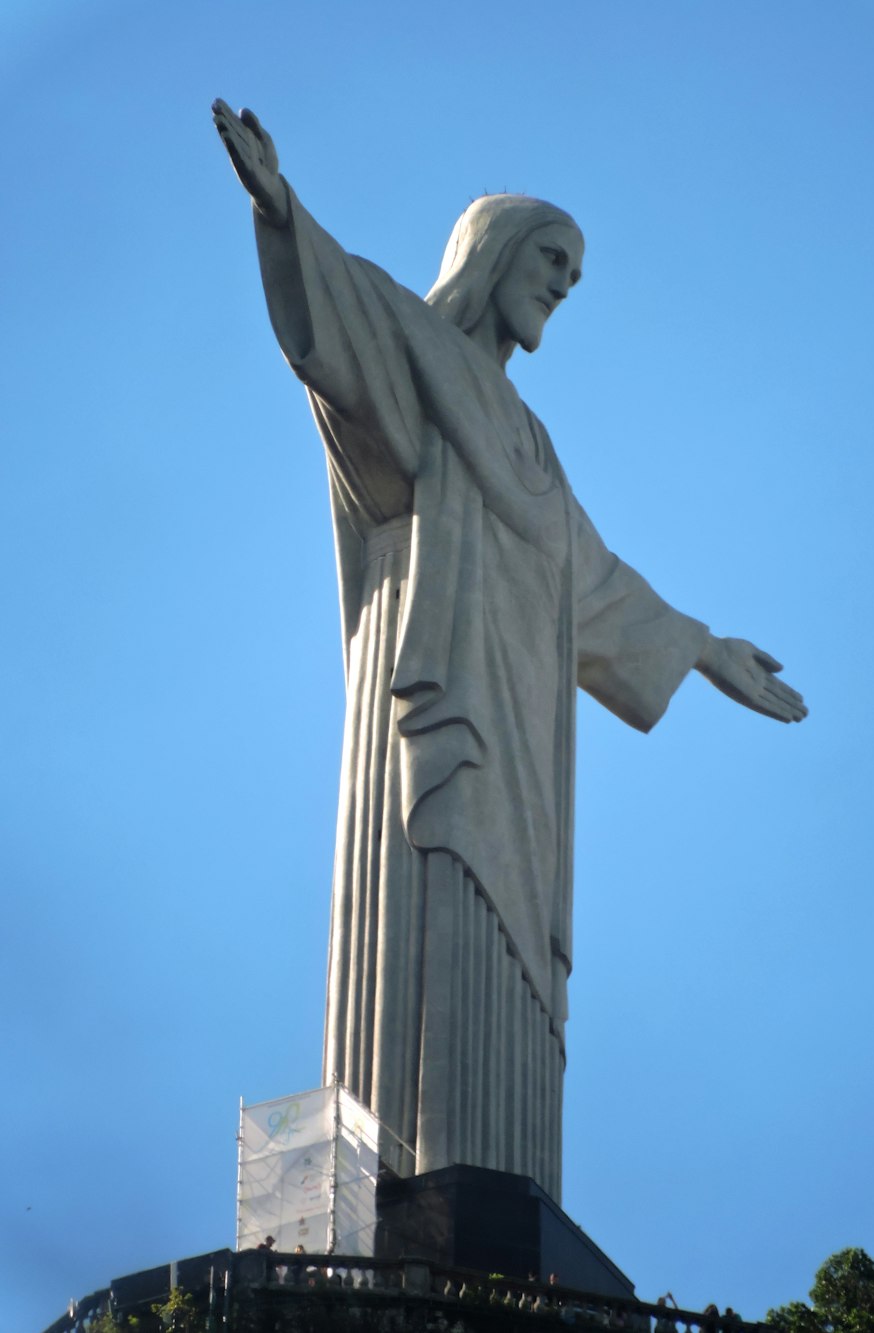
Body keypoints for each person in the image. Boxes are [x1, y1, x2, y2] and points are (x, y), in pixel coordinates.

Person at [212, 101, 806, 1204]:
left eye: (573, 274)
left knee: (514, 951)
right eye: (551, 259)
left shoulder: (535, 447)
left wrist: (705, 648)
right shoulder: (409, 343)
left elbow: (599, 586)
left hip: (527, 747)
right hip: (435, 703)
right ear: (491, 255)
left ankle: (502, 1190)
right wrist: (281, 210)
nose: (563, 284)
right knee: (425, 911)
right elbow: (334, 330)